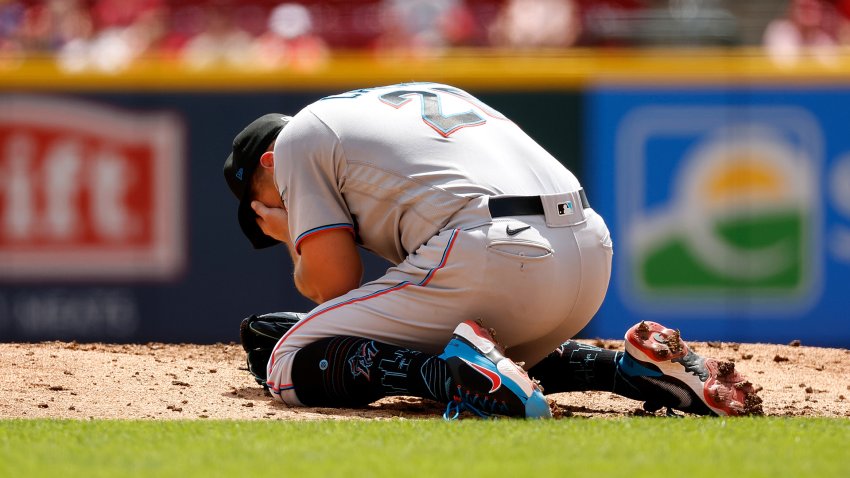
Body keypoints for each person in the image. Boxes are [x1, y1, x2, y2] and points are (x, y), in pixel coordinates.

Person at [223, 82, 762, 418]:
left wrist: (292, 231)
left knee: (284, 359)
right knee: (480, 338)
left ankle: (454, 377)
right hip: (589, 250)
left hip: (495, 251)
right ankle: (629, 370)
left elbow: (331, 285)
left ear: (267, 166)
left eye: (261, 203)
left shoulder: (294, 143)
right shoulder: (402, 102)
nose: (272, 211)